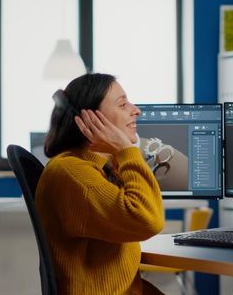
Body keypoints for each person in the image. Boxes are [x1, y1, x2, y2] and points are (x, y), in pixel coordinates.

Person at [36, 73, 165, 295]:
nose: (136, 110)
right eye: (123, 104)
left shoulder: (99, 168)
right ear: (89, 119)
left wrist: (120, 155)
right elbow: (148, 219)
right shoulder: (71, 173)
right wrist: (126, 151)